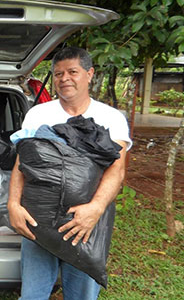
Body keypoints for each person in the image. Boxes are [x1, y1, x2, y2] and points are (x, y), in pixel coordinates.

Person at [7, 47, 132, 300]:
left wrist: (95, 209)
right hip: (38, 219)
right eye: (58, 73)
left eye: (72, 72)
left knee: (82, 294)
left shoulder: (111, 118)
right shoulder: (38, 114)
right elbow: (22, 164)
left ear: (89, 74)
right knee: (33, 294)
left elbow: (116, 171)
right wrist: (13, 205)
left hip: (85, 222)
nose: (64, 78)